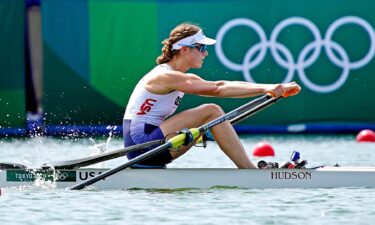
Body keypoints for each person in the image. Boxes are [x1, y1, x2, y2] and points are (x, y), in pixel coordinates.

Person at [123, 22, 301, 169]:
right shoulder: (164, 76)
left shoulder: (184, 78)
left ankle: (249, 169)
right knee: (212, 111)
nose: (205, 53)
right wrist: (268, 88)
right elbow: (217, 89)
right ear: (184, 49)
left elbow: (224, 85)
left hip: (152, 146)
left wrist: (270, 88)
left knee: (212, 118)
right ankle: (250, 170)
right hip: (141, 145)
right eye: (201, 48)